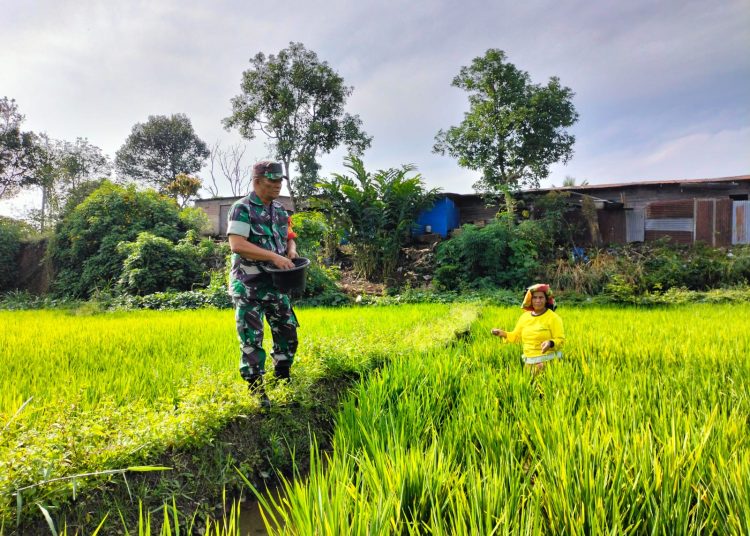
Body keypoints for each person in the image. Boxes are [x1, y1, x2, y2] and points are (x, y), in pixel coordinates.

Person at [227, 160, 299, 406]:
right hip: (249, 285)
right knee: (251, 338)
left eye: (280, 181)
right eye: (273, 181)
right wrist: (273, 256)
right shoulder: (241, 208)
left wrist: (291, 250)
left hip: (277, 284)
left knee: (287, 331)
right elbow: (237, 244)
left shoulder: (279, 210)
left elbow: (289, 236)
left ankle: (283, 377)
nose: (278, 186)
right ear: (257, 181)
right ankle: (257, 389)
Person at [491, 283, 564, 373]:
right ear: (530, 299)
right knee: (527, 384)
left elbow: (560, 340)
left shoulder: (553, 317)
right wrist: (502, 333)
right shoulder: (525, 317)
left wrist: (550, 343)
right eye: (534, 297)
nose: (538, 300)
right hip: (530, 360)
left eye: (541, 297)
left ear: (546, 300)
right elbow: (516, 336)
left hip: (549, 360)